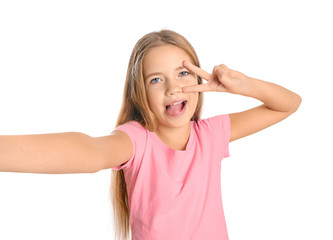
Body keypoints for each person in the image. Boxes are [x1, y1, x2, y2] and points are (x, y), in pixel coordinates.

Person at [0, 29, 301, 240]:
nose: (173, 87)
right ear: (140, 93)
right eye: (156, 79)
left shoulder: (210, 135)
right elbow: (91, 151)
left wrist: (246, 86)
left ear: (199, 78)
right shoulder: (136, 141)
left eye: (183, 73)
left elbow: (288, 105)